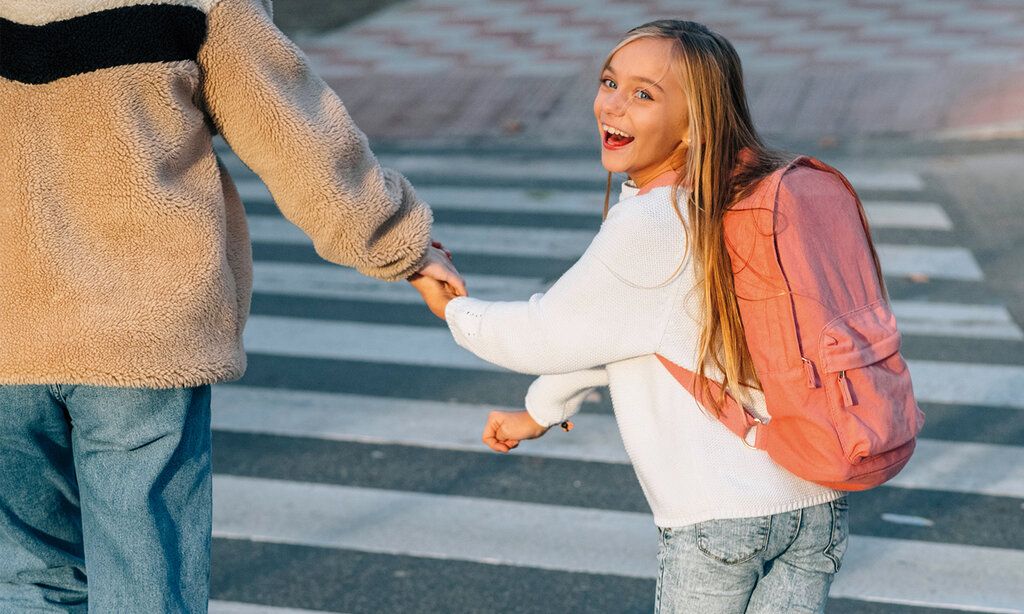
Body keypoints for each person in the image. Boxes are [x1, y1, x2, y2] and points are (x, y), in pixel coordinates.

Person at [0, 0, 463, 611]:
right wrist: (398, 245)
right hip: (145, 331)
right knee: (145, 577)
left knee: (30, 576)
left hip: (11, 326)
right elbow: (297, 135)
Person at [411, 20, 851, 613]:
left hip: (719, 515)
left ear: (695, 123)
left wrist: (453, 309)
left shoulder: (656, 222)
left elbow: (551, 334)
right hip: (813, 502)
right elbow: (630, 337)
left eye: (644, 94)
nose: (612, 105)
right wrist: (540, 412)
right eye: (609, 82)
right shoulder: (749, 196)